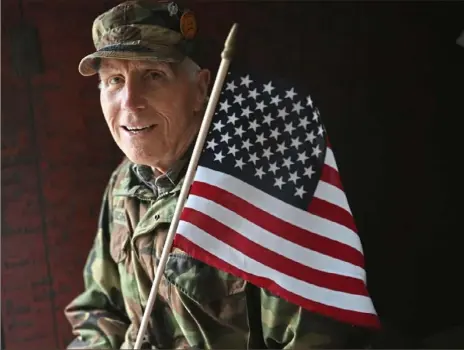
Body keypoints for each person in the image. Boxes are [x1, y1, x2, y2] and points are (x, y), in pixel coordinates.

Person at [64, 1, 377, 348]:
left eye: (153, 75)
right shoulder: (123, 183)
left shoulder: (251, 185)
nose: (130, 101)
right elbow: (97, 311)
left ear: (201, 90)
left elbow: (315, 340)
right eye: (114, 80)